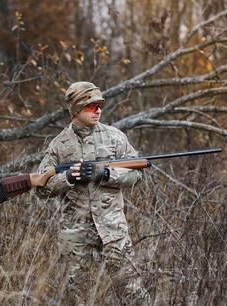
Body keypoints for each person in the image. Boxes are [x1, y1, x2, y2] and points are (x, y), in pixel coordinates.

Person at [35, 81, 149, 302]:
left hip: (113, 230)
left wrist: (106, 175)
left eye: (100, 105)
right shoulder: (59, 145)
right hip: (76, 234)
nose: (98, 110)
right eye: (91, 106)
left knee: (134, 293)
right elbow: (42, 188)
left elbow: (137, 174)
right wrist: (68, 177)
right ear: (76, 109)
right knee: (74, 296)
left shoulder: (115, 137)